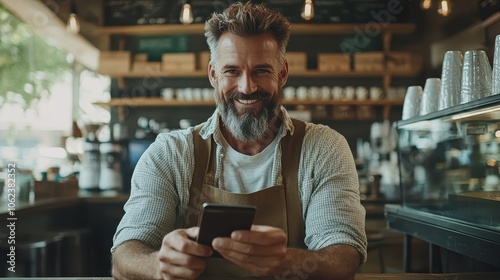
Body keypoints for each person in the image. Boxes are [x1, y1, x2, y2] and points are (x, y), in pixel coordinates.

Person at [111, 2, 367, 279]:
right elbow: (124, 256)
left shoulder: (324, 148)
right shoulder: (170, 153)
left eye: (261, 71)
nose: (247, 88)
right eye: (232, 71)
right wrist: (158, 265)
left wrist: (284, 262)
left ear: (282, 74)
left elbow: (343, 257)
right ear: (213, 75)